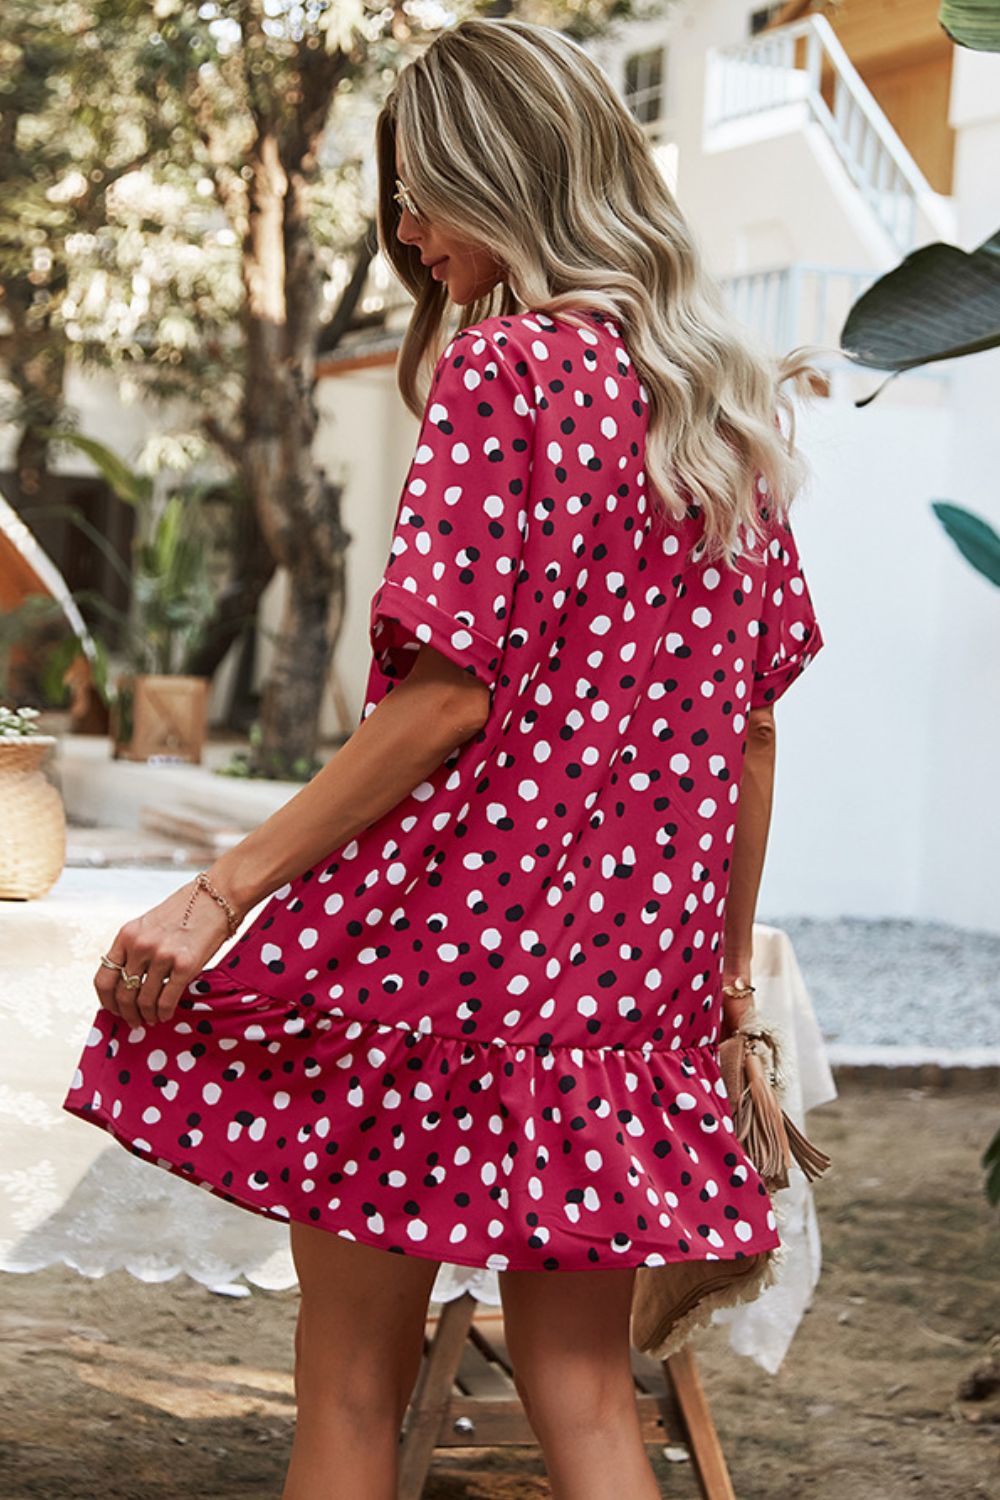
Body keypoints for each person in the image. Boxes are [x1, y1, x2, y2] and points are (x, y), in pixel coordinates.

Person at [63, 16, 825, 1500]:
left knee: (351, 1388)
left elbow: (444, 702)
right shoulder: (721, 412)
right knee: (587, 1391)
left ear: (513, 180)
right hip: (624, 985)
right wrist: (721, 986)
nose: (406, 235)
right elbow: (751, 734)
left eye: (422, 196)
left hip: (433, 962)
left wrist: (218, 893)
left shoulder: (509, 370)